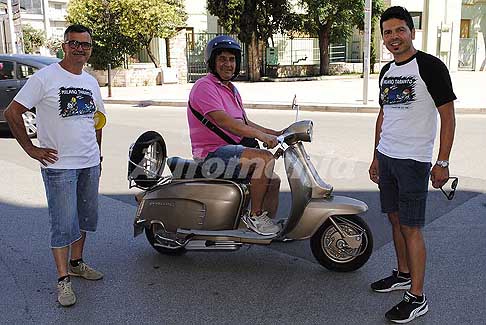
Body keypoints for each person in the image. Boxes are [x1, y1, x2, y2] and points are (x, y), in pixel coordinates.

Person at [3, 24, 106, 307]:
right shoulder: (44, 78)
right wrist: (30, 148)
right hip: (58, 165)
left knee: (84, 218)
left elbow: (97, 120)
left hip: (88, 162)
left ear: (90, 49)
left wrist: (98, 153)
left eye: (85, 44)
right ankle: (63, 279)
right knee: (63, 223)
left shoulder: (91, 82)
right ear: (64, 45)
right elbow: (13, 111)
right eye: (74, 43)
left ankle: (77, 261)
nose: (80, 49)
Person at [368, 6, 456, 323]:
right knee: (394, 219)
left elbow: (447, 115)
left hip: (414, 161)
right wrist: (376, 155)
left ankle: (417, 297)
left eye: (399, 30)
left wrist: (442, 161)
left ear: (411, 32)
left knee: (411, 227)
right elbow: (384, 115)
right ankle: (403, 274)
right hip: (388, 157)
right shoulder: (386, 71)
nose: (394, 37)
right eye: (388, 32)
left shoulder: (430, 67)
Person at [187, 35, 282, 236]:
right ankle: (255, 216)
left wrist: (278, 133)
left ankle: (265, 223)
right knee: (264, 159)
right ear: (212, 62)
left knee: (273, 181)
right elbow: (225, 122)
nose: (228, 64)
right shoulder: (204, 87)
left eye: (232, 59)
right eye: (222, 59)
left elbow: (244, 122)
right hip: (211, 155)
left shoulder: (231, 89)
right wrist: (262, 138)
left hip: (232, 150)